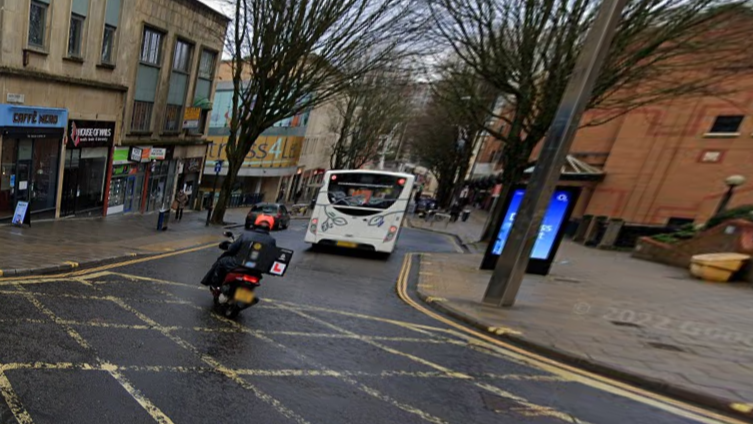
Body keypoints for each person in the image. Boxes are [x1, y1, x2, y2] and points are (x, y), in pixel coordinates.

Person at [201, 215, 277, 289]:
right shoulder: (271, 240)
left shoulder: (246, 235)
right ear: (270, 225)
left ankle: (215, 285)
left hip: (240, 263)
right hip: (257, 268)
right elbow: (270, 256)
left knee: (222, 261)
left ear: (256, 222)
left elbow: (232, 249)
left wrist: (229, 246)